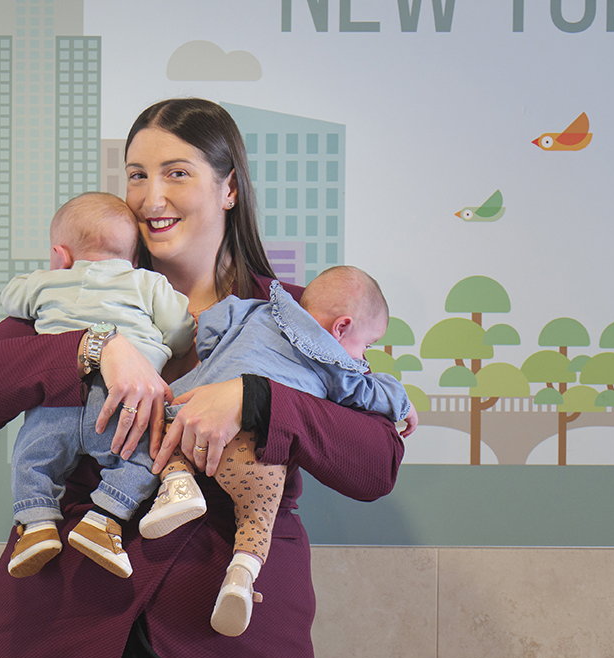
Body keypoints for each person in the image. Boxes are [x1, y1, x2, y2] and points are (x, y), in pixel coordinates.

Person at [0, 98, 405, 658]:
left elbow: (377, 463)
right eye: (135, 175)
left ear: (229, 187)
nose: (150, 196)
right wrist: (91, 349)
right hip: (61, 635)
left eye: (176, 173)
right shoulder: (77, 294)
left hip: (231, 649)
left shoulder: (305, 314)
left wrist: (255, 398)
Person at [142, 265, 417, 637]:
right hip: (252, 452)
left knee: (163, 437)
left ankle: (177, 486)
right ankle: (241, 573)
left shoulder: (260, 306)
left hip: (188, 407)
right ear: (342, 327)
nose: (363, 358)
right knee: (257, 514)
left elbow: (210, 327)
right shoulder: (334, 360)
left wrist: (236, 374)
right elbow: (364, 392)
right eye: (366, 346)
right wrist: (401, 401)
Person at [0, 191, 196, 579]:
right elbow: (179, 329)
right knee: (145, 456)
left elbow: (11, 299)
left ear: (61, 253)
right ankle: (105, 518)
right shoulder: (148, 282)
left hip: (58, 398)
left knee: (31, 458)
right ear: (134, 257)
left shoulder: (46, 282)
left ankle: (36, 524)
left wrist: (51, 275)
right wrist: (168, 349)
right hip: (121, 401)